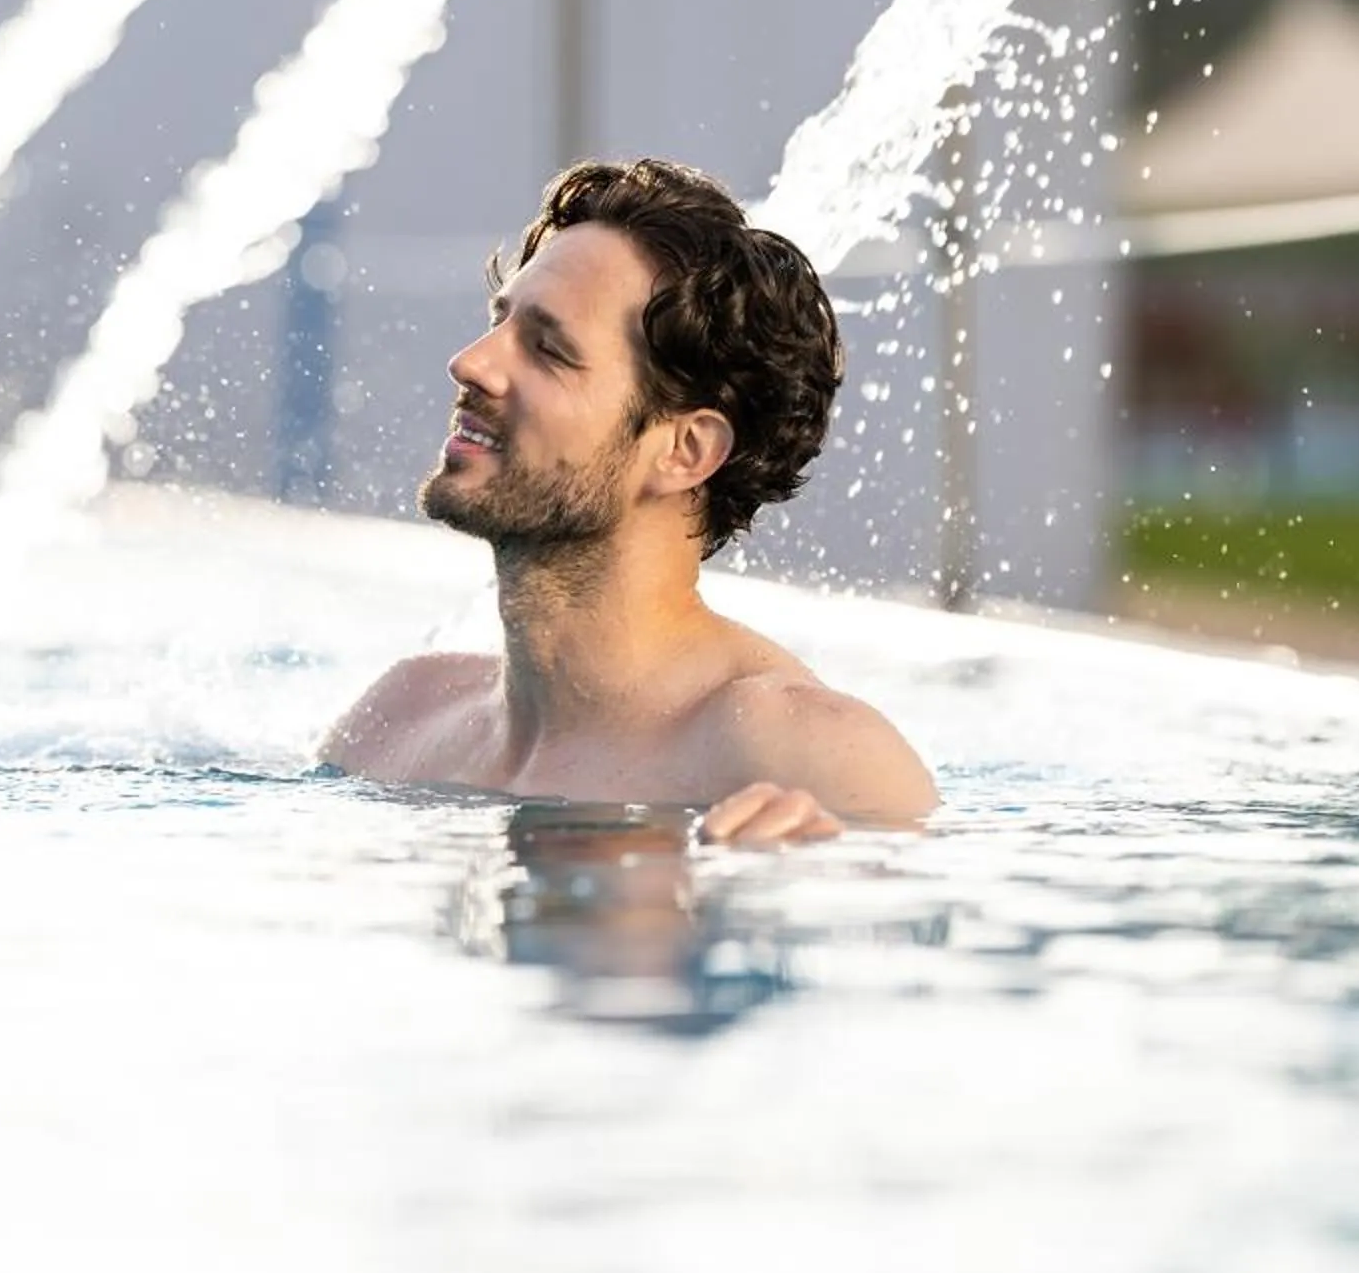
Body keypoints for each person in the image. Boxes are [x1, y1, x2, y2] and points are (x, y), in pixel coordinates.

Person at [317, 159, 934, 845]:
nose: (471, 362)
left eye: (548, 349)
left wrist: (793, 905)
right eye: (501, 321)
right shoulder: (398, 722)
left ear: (685, 452)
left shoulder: (805, 759)